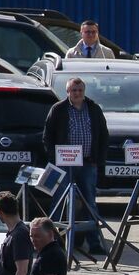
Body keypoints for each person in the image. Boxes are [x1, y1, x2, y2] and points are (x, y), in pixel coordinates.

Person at [43, 76, 109, 255]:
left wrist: (98, 160)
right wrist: (54, 158)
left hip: (88, 164)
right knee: (59, 202)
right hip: (64, 164)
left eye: (80, 90)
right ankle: (52, 241)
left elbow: (103, 135)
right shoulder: (58, 109)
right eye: (74, 90)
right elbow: (47, 136)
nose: (77, 93)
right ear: (68, 92)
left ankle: (94, 243)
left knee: (90, 204)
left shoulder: (93, 109)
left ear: (84, 91)